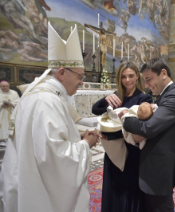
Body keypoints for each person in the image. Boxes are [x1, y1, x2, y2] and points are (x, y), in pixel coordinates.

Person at [0, 23, 101, 212]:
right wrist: (85, 143)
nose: (81, 82)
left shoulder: (36, 93)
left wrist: (74, 138)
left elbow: (40, 141)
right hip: (42, 197)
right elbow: (58, 160)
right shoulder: (48, 101)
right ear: (62, 72)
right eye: (80, 76)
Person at [120, 58, 175, 212]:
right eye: (144, 80)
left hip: (160, 171)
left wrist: (125, 117)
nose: (146, 85)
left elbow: (148, 128)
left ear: (163, 73)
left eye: (148, 79)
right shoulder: (165, 95)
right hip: (154, 168)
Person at [92, 61, 152, 212]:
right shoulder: (117, 96)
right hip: (113, 154)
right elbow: (95, 110)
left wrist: (110, 135)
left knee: (129, 193)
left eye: (131, 76)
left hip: (131, 153)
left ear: (137, 76)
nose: (127, 80)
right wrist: (106, 99)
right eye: (123, 77)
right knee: (114, 190)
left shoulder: (144, 99)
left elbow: (139, 129)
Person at [0, 81, 19, 147]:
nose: (5, 87)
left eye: (6, 86)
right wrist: (1, 105)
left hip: (11, 112)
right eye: (3, 86)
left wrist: (12, 104)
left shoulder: (14, 93)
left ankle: (10, 139)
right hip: (1, 113)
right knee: (2, 126)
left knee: (11, 125)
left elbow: (18, 102)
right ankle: (2, 140)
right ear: (0, 86)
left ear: (9, 86)